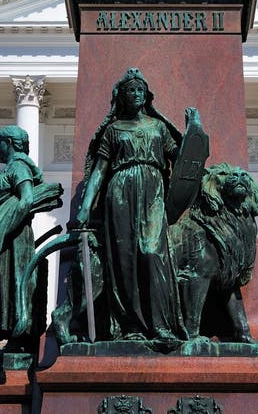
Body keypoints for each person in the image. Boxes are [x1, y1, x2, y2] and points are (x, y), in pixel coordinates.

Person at [75, 68, 186, 344]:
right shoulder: (113, 130)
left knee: (151, 253)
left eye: (139, 90)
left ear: (146, 95)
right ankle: (131, 325)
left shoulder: (158, 127)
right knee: (125, 260)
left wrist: (194, 131)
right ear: (121, 97)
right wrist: (85, 206)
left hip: (152, 188)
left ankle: (161, 325)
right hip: (120, 191)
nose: (135, 94)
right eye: (130, 90)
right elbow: (100, 170)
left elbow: (181, 158)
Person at [0, 125, 62, 355]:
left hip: (14, 237)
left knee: (13, 282)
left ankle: (17, 338)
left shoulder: (19, 167)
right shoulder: (10, 168)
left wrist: (3, 226)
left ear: (9, 143)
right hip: (3, 239)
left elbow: (27, 200)